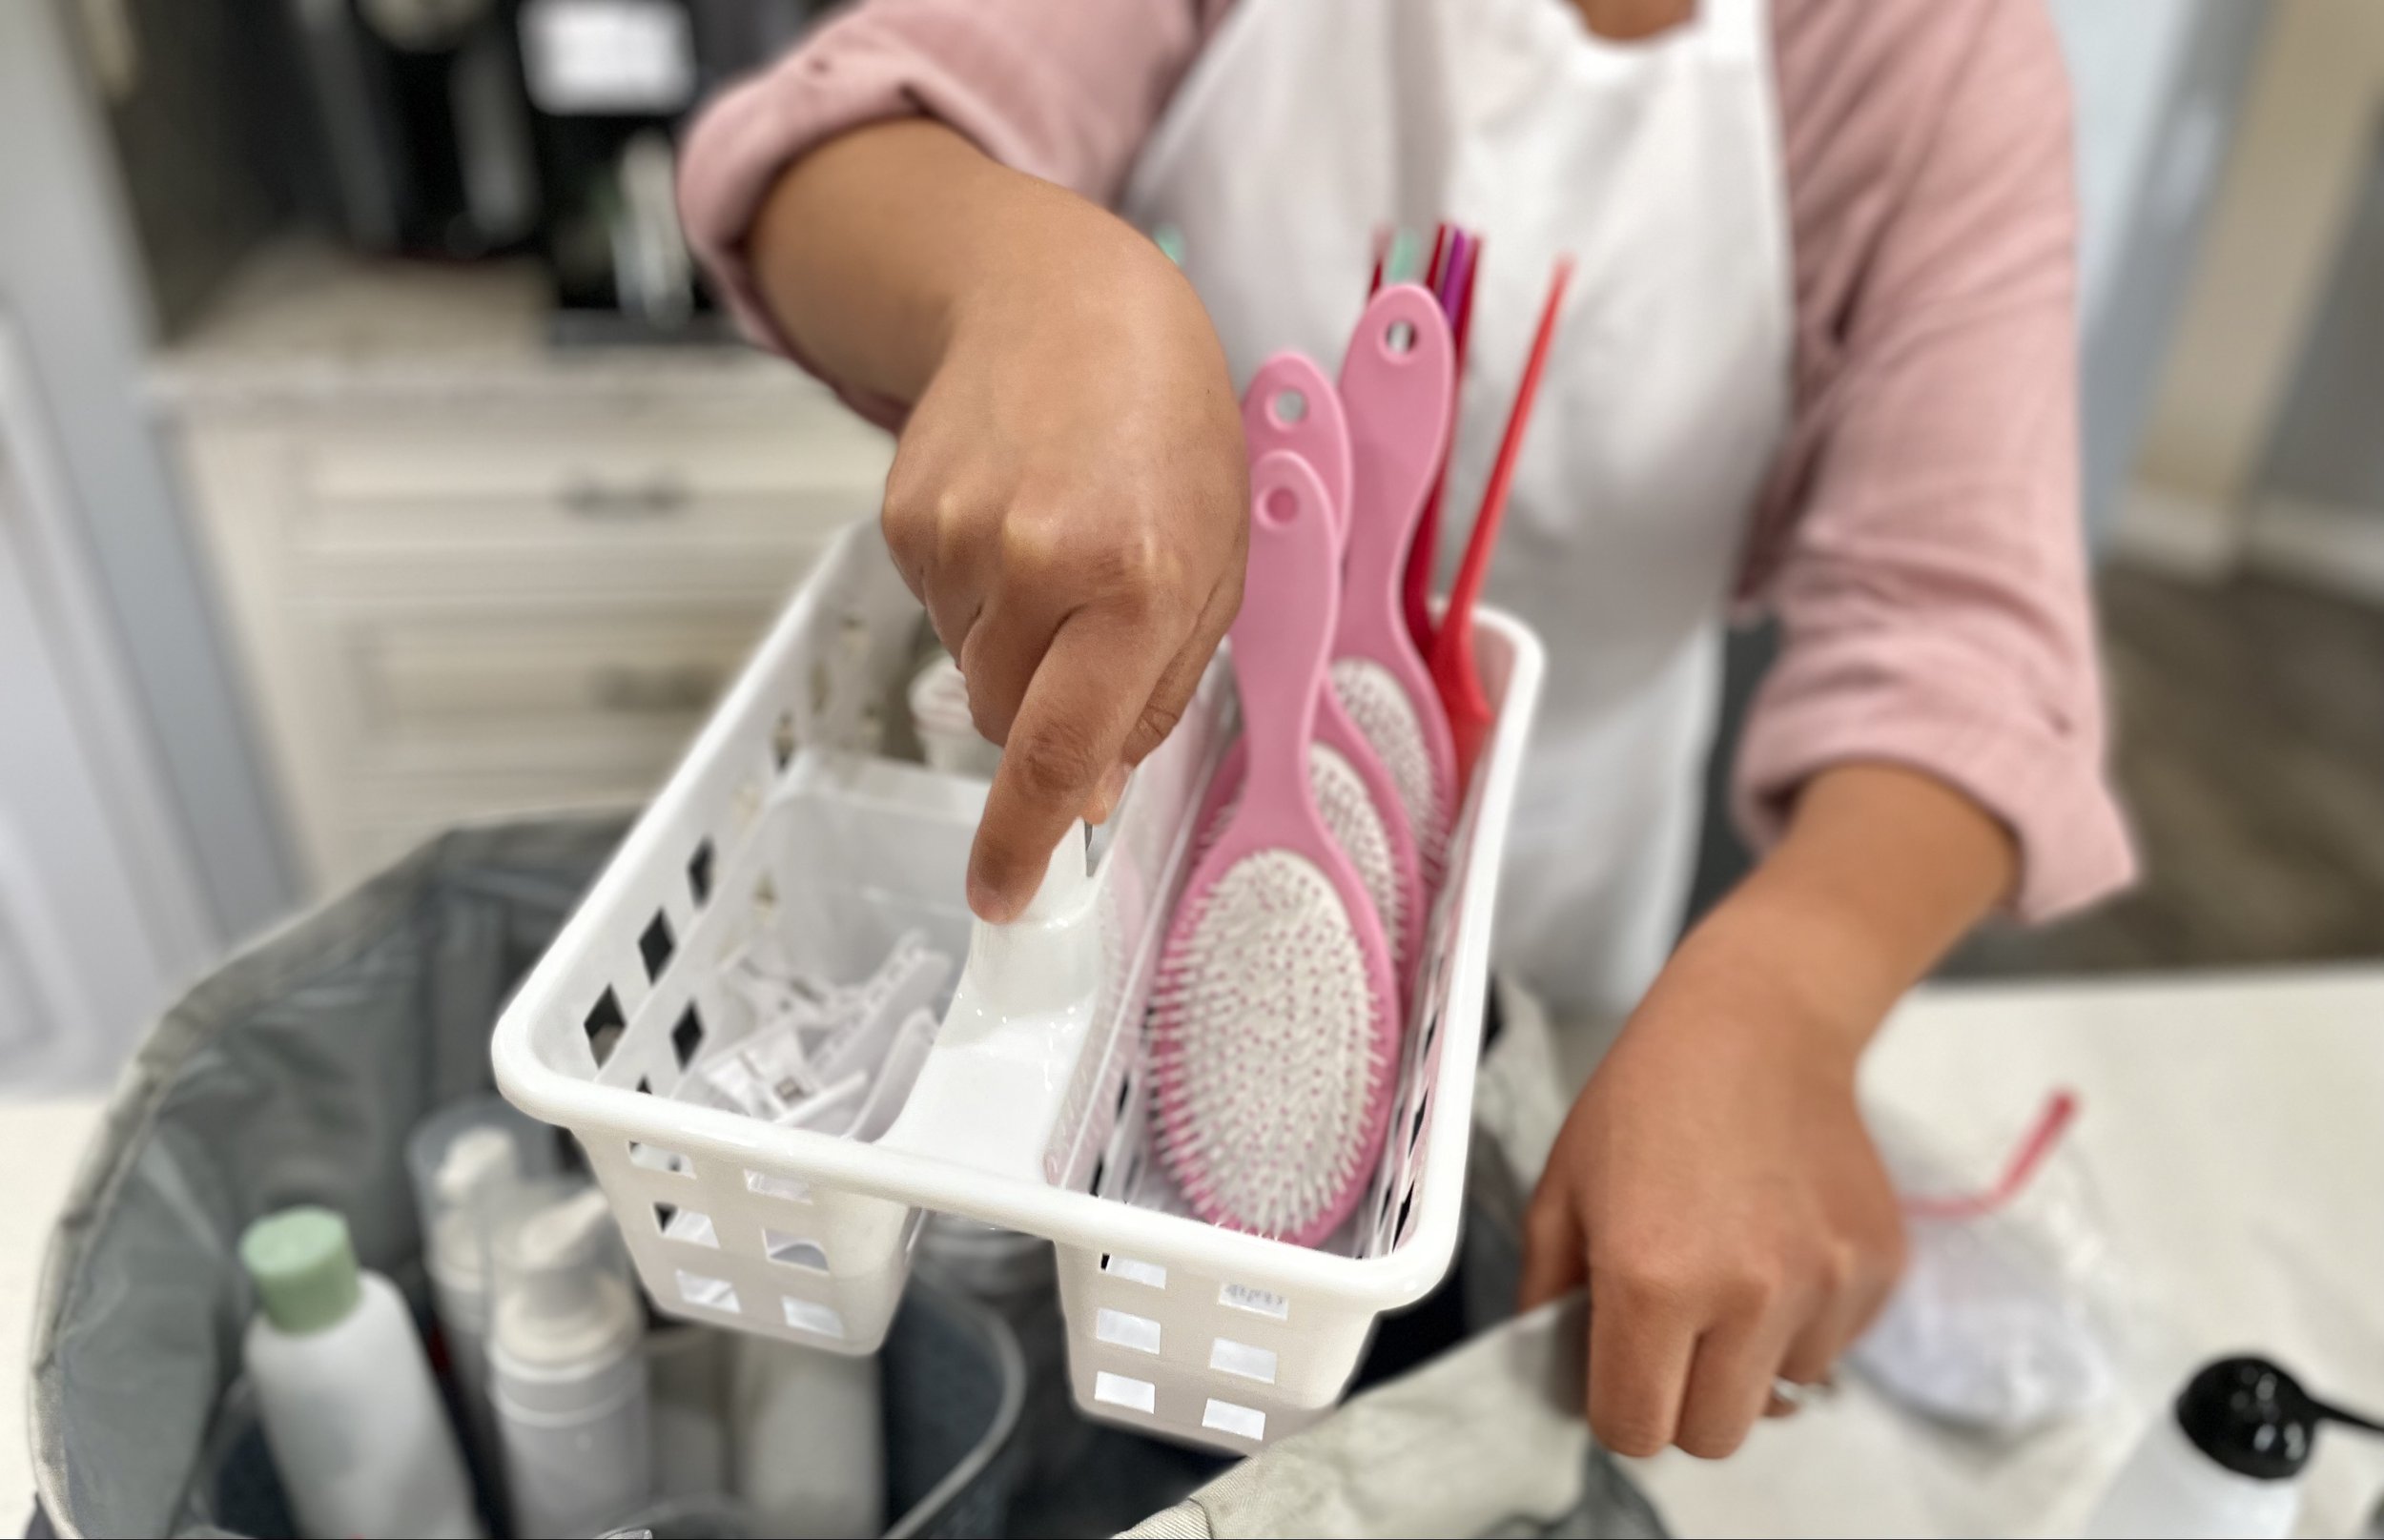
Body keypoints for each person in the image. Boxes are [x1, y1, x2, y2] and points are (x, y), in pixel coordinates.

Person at [677, 0, 2135, 1461]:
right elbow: (816, 151)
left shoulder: (1928, 51)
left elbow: (1970, 638)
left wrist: (1790, 997)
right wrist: (1030, 280)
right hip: (1190, 795)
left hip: (1585, 878)